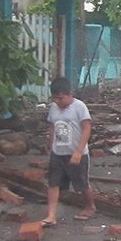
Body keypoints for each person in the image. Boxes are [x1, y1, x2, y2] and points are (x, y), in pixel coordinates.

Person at [41, 76, 97, 223]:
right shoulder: (54, 108)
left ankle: (90, 206)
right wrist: (50, 143)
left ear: (69, 94)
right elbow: (52, 126)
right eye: (55, 99)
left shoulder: (80, 107)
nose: (58, 102)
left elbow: (86, 129)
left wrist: (78, 151)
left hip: (76, 153)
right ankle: (51, 215)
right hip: (58, 152)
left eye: (60, 98)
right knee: (53, 183)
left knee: (82, 184)